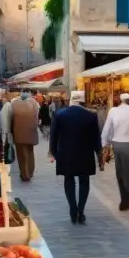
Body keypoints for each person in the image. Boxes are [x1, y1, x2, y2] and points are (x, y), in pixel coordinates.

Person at [49, 90, 103, 223]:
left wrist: (54, 152)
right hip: (85, 153)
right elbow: (96, 138)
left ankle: (72, 208)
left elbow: (54, 136)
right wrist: (99, 153)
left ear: (71, 100)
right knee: (84, 181)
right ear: (83, 100)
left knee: (69, 180)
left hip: (66, 153)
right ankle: (81, 209)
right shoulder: (90, 115)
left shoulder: (60, 115)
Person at [101, 93, 129, 210]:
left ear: (120, 101)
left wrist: (105, 145)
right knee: (128, 173)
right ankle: (126, 199)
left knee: (119, 172)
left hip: (117, 145)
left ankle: (123, 197)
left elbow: (107, 129)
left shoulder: (113, 111)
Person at [5, 91, 40, 181]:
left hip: (19, 133)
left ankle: (25, 175)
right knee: (30, 153)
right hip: (31, 133)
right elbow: (37, 118)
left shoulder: (14, 104)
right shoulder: (34, 103)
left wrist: (9, 132)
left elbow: (10, 119)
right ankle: (30, 172)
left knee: (21, 155)